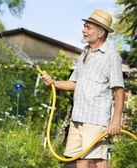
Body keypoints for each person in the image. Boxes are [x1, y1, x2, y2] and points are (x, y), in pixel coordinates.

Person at [42, 9, 125, 168]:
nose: (83, 30)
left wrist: (116, 121)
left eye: (88, 27)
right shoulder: (85, 53)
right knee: (78, 160)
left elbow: (119, 90)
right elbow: (74, 83)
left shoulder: (111, 56)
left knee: (98, 161)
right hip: (78, 117)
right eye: (84, 26)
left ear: (100, 32)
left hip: (95, 119)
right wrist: (53, 82)